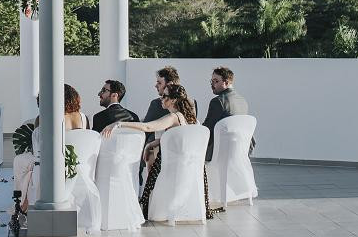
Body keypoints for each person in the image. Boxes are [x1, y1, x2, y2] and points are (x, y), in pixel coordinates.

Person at [103, 83, 213, 220]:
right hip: (190, 167)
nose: (161, 99)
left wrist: (119, 124)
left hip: (170, 167)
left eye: (164, 96)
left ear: (173, 100)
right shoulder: (191, 119)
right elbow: (178, 140)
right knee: (154, 155)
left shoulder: (174, 117)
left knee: (152, 163)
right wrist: (151, 144)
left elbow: (148, 126)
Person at [16, 84, 91, 214]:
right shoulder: (84, 118)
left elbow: (38, 149)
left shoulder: (42, 119)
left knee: (20, 162)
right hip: (78, 165)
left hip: (51, 165)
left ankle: (24, 202)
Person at [201, 66, 250, 161]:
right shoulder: (243, 101)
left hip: (218, 153)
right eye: (211, 81)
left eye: (216, 81)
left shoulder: (218, 101)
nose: (212, 84)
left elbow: (208, 129)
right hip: (238, 152)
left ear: (226, 82)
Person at [142, 66, 179, 146]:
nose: (156, 85)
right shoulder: (192, 103)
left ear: (169, 84)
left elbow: (145, 131)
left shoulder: (157, 104)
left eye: (159, 83)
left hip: (160, 151)